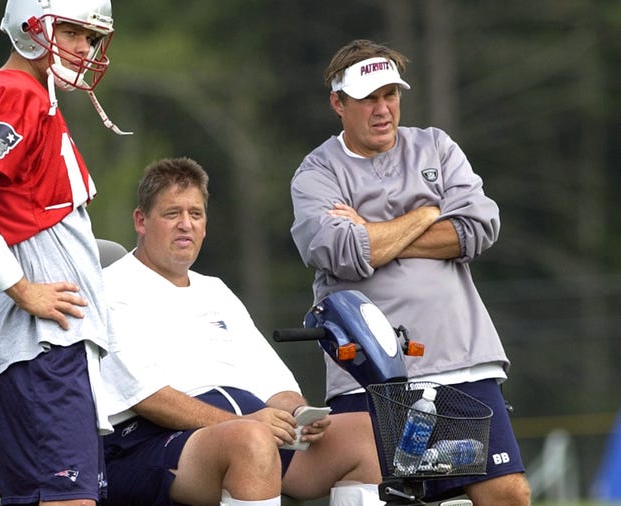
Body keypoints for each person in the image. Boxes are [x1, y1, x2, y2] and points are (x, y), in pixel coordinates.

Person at [289, 39, 531, 505]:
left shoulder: (436, 145)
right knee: (391, 497)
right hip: (368, 373)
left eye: (391, 95)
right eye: (368, 99)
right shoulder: (317, 171)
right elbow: (338, 249)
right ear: (338, 104)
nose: (382, 110)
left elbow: (477, 228)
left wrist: (374, 235)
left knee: (507, 492)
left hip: (461, 360)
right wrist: (425, 214)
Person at [100, 157, 383, 506]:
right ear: (141, 221)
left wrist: (298, 415)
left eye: (196, 214)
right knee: (250, 440)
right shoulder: (111, 288)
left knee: (365, 434)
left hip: (247, 431)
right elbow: (148, 397)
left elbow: (269, 378)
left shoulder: (215, 289)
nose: (185, 225)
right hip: (150, 446)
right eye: (172, 214)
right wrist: (246, 422)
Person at [0, 1, 128, 504]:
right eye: (73, 32)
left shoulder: (32, 97)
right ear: (32, 26)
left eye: (89, 37)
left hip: (43, 347)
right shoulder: (12, 92)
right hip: (42, 346)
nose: (85, 49)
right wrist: (22, 290)